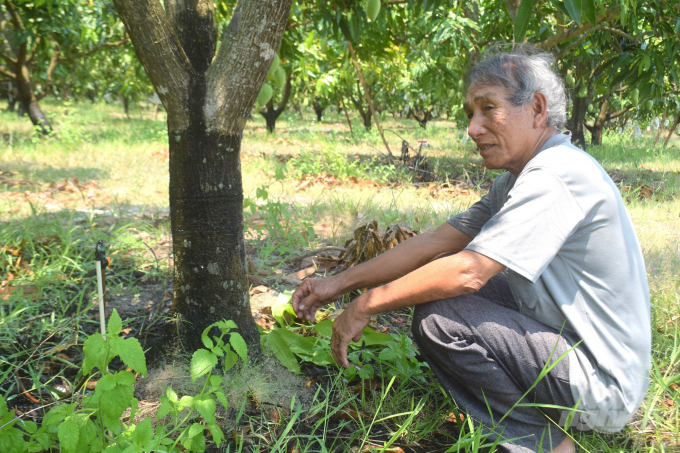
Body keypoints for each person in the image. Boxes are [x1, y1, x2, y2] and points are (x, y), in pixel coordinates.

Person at [292, 46, 651, 453]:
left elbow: (468, 270)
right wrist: (338, 284)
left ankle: (543, 444)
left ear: (536, 108)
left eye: (488, 109)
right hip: (575, 352)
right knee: (438, 285)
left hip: (601, 384)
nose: (473, 128)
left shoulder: (557, 176)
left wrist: (366, 305)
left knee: (441, 317)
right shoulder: (519, 180)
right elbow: (435, 244)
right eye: (470, 114)